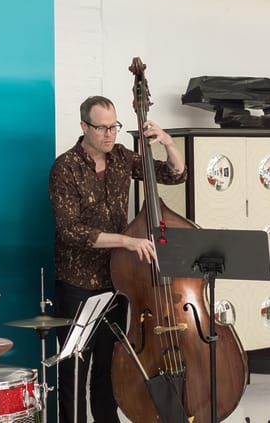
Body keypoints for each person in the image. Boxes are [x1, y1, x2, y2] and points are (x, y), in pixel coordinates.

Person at [48, 95, 186, 423]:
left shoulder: (122, 157)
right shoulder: (65, 168)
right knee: (73, 372)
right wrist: (126, 240)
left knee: (109, 369)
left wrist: (167, 142)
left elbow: (174, 175)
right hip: (76, 283)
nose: (110, 134)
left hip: (118, 280)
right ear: (84, 126)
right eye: (102, 128)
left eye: (114, 127)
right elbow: (71, 231)